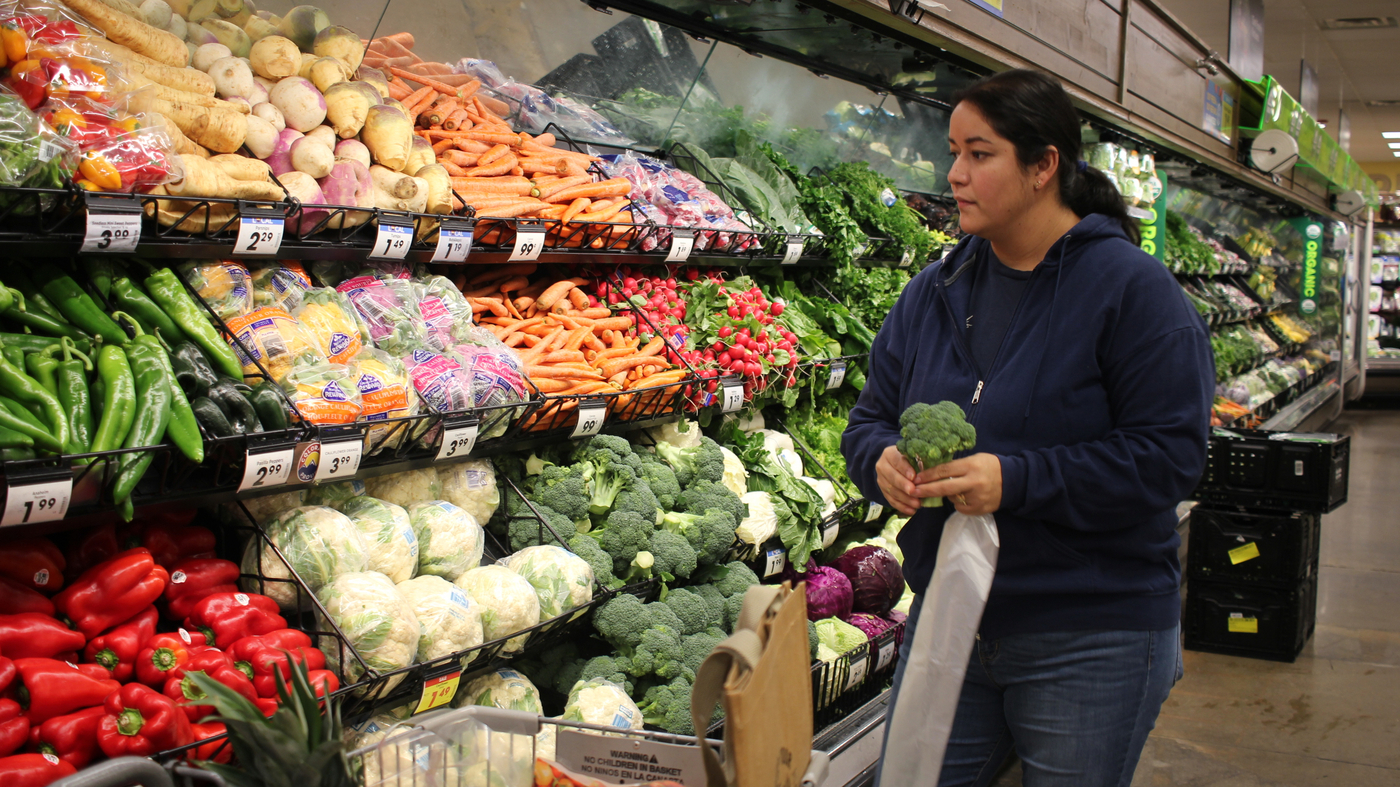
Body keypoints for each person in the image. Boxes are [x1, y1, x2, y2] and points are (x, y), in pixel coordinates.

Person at [843, 69, 1214, 787]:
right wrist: (879, 459)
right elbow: (869, 419)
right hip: (951, 613)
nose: (955, 174)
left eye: (980, 154)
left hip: (1091, 632)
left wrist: (1017, 479)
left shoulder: (1134, 293)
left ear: (1044, 166)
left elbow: (1170, 457)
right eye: (952, 152)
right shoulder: (935, 289)